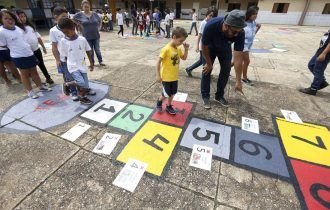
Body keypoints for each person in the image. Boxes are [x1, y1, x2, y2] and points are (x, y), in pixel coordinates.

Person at [0, 10, 51, 99]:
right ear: (1, 20)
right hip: (18, 56)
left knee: (34, 71)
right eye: (6, 18)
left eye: (11, 18)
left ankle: (41, 86)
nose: (9, 20)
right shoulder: (2, 32)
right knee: (24, 74)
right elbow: (3, 45)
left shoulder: (17, 28)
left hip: (29, 53)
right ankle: (30, 92)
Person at [201, 9, 246, 109]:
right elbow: (204, 46)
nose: (236, 35)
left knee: (226, 71)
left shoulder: (240, 32)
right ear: (226, 26)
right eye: (234, 32)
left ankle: (219, 95)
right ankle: (205, 96)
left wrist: (238, 81)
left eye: (238, 32)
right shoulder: (211, 25)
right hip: (210, 49)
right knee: (206, 70)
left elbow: (238, 58)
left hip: (225, 49)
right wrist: (209, 63)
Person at [58, 17, 95, 105]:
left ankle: (82, 98)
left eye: (67, 32)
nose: (66, 34)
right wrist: (65, 68)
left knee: (85, 85)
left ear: (73, 28)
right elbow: (63, 56)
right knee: (81, 82)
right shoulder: (63, 41)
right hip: (73, 66)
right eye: (64, 32)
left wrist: (91, 62)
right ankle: (67, 84)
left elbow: (88, 51)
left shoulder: (82, 39)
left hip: (82, 65)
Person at [156, 27, 189, 115]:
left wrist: (186, 49)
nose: (181, 43)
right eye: (180, 41)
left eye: (182, 41)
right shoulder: (166, 49)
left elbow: (184, 58)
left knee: (172, 93)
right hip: (166, 77)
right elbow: (158, 62)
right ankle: (159, 102)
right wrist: (158, 75)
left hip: (174, 77)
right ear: (174, 37)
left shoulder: (178, 48)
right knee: (166, 94)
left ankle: (169, 106)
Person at [16, 10, 54, 86]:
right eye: (20, 17)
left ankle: (48, 77)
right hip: (27, 52)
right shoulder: (17, 29)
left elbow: (38, 37)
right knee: (32, 67)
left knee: (41, 64)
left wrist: (43, 47)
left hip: (36, 49)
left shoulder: (31, 26)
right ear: (17, 18)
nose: (23, 18)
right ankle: (36, 81)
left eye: (24, 16)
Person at [49, 6, 78, 101]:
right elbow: (54, 47)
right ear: (56, 17)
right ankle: (73, 92)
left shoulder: (72, 27)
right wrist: (57, 59)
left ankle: (82, 87)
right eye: (63, 17)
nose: (65, 19)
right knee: (68, 76)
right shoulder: (53, 31)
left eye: (67, 16)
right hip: (64, 59)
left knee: (78, 73)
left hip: (75, 57)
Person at [73, 0, 105, 66]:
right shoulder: (80, 14)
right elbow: (72, 19)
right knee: (90, 51)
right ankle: (92, 62)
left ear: (89, 6)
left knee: (97, 50)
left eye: (88, 7)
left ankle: (100, 61)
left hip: (96, 35)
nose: (87, 8)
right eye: (85, 7)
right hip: (86, 36)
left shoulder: (94, 14)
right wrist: (78, 24)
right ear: (82, 7)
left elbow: (100, 20)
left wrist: (99, 27)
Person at [299, 28, 329, 95]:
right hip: (321, 50)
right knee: (311, 65)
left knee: (318, 70)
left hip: (325, 53)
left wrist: (324, 53)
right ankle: (322, 82)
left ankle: (313, 89)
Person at [185, 9, 214, 77]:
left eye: (212, 16)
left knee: (201, 61)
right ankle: (206, 75)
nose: (211, 17)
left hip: (207, 46)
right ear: (206, 15)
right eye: (210, 15)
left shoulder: (209, 23)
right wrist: (197, 46)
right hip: (203, 46)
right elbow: (199, 35)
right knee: (205, 62)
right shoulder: (203, 23)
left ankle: (189, 69)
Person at [239, 6, 261, 86]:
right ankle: (244, 78)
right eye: (253, 14)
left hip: (248, 45)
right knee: (247, 61)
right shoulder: (243, 23)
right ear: (249, 14)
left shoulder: (253, 23)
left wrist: (258, 27)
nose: (255, 15)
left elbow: (253, 34)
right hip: (242, 45)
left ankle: (225, 71)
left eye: (256, 14)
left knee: (235, 62)